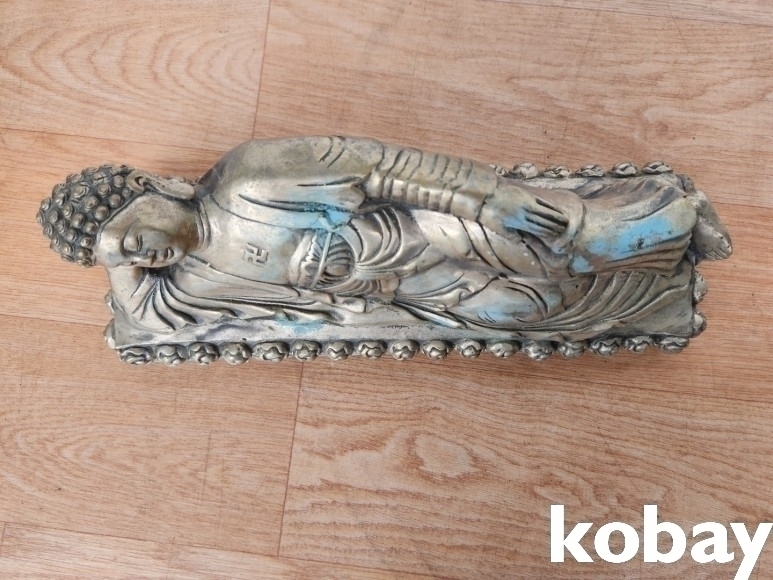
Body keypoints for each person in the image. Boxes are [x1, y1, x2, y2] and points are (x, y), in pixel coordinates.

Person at [37, 136, 731, 336]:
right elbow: (146, 315)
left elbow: (386, 167)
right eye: (121, 258)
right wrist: (115, 260)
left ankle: (665, 217)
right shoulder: (195, 279)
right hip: (403, 285)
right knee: (517, 312)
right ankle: (649, 291)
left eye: (130, 235)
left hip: (425, 227)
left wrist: (497, 200)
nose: (140, 255)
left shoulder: (249, 179)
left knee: (548, 245)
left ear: (152, 187)